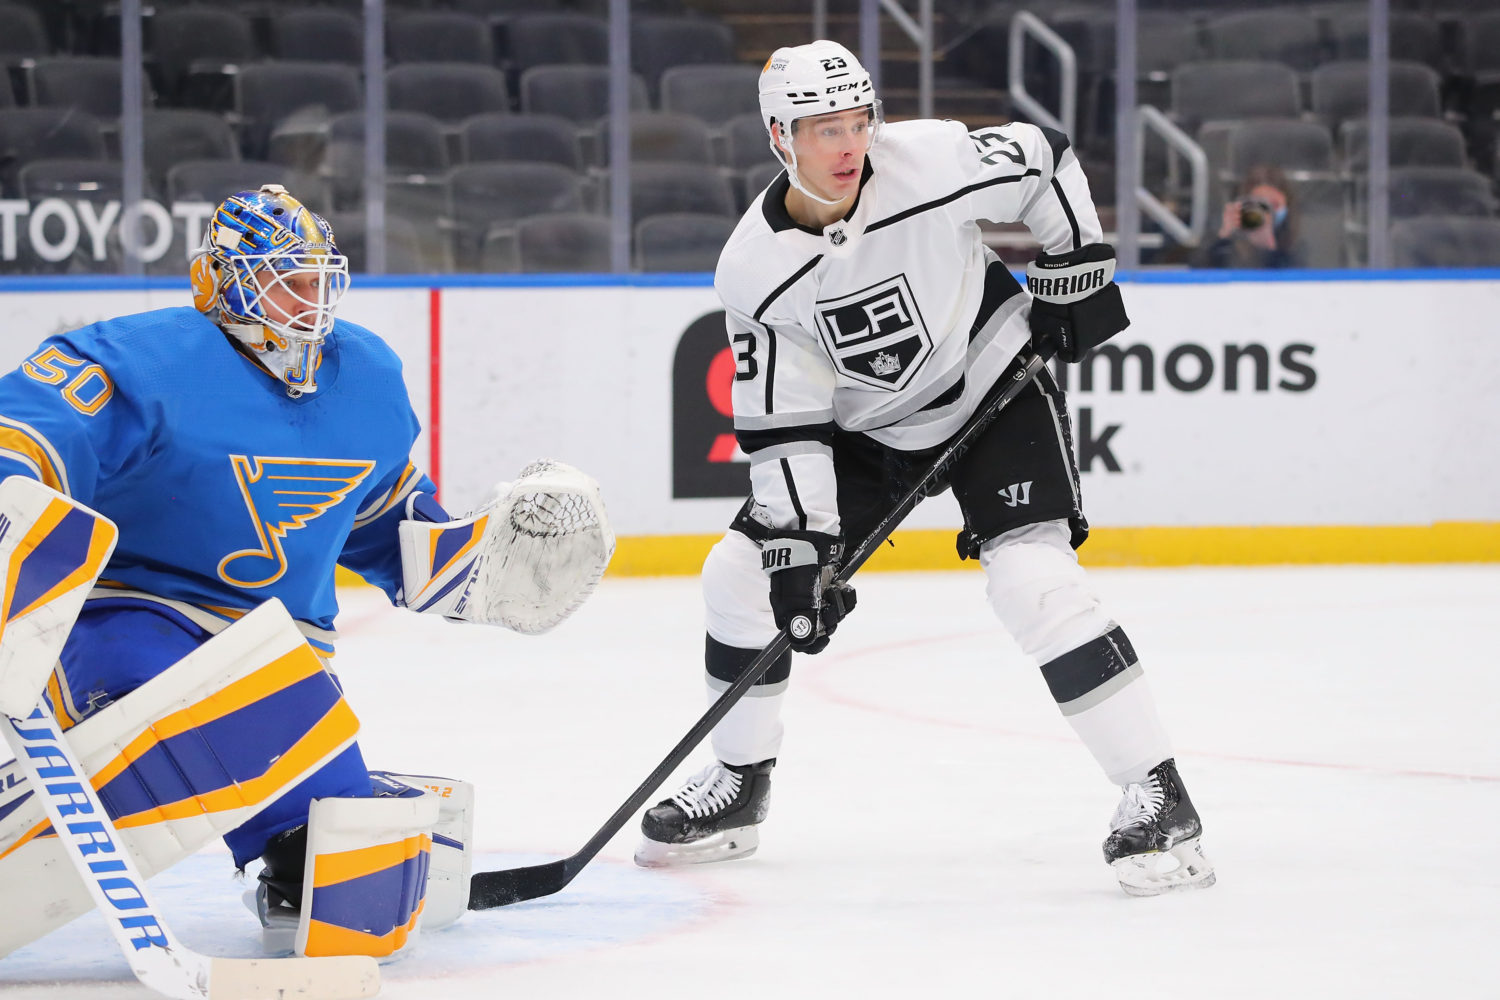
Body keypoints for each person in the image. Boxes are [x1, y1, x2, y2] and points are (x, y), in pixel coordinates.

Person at [633, 41, 1215, 896]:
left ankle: (1158, 794)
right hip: (867, 429)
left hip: (991, 381)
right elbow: (786, 425)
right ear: (777, 136)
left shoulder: (930, 161)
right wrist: (802, 556)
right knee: (740, 578)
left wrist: (1075, 269)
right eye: (821, 128)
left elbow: (1043, 160)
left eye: (857, 121)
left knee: (1033, 581)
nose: (847, 145)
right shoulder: (754, 271)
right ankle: (740, 784)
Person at [0, 185, 610, 954]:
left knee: (367, 891)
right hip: (133, 629)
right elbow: (25, 438)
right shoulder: (143, 360)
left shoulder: (366, 376)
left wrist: (474, 563)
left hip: (279, 660)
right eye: (284, 277)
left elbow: (382, 521)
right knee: (261, 741)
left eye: (318, 277)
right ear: (219, 281)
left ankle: (287, 855)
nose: (309, 298)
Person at [1197, 165, 1302, 269]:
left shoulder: (1297, 251)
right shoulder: (1223, 250)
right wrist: (1224, 238)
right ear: (1241, 207)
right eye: (1258, 206)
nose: (1266, 214)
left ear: (1288, 208)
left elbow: (1295, 280)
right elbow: (1200, 276)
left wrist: (1271, 251)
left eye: (1273, 205)